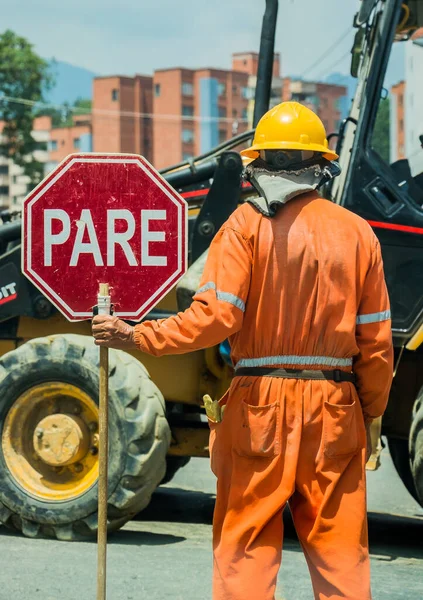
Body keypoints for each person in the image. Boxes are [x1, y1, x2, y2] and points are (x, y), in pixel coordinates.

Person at [92, 102, 393, 600]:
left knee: (246, 550)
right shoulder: (358, 233)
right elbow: (376, 344)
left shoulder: (245, 226)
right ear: (321, 165)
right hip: (336, 410)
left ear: (258, 164)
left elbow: (214, 320)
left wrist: (135, 335)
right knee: (341, 557)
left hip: (259, 407)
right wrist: (369, 412)